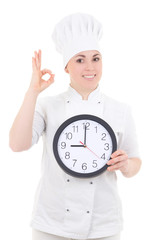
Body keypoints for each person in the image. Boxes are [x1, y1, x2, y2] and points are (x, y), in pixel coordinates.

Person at [9, 13, 141, 240]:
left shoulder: (121, 109)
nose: (90, 67)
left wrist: (126, 164)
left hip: (103, 227)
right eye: (80, 59)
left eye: (96, 58)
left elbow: (136, 162)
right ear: (67, 67)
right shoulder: (47, 106)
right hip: (51, 226)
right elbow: (17, 144)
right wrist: (33, 91)